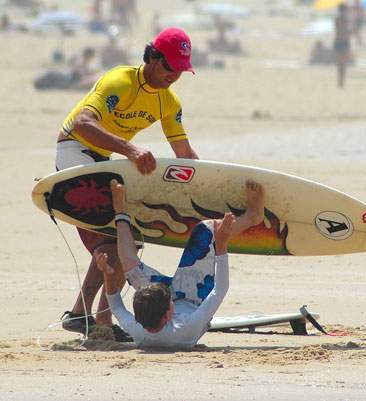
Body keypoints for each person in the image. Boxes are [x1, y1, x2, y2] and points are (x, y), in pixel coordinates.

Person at [57, 27, 199, 341]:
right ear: (152, 57)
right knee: (118, 240)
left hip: (104, 161)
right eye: (170, 66)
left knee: (127, 241)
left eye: (181, 69)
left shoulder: (168, 102)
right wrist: (131, 149)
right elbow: (83, 123)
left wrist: (210, 187)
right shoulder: (120, 81)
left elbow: (185, 155)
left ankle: (97, 319)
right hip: (75, 150)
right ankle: (88, 316)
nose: (175, 74)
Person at [95, 179, 265, 349]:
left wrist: (108, 274)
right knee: (205, 230)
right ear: (169, 314)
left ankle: (121, 212)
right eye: (170, 301)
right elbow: (220, 289)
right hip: (195, 297)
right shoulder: (186, 328)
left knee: (129, 266)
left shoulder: (140, 331)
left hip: (156, 303)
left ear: (138, 319)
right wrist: (220, 243)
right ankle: (252, 217)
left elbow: (116, 306)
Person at [333, 3, 352, 88]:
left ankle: (340, 81)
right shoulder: (345, 20)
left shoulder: (337, 19)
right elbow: (346, 33)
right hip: (344, 42)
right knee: (343, 64)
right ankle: (342, 81)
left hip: (338, 41)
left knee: (339, 64)